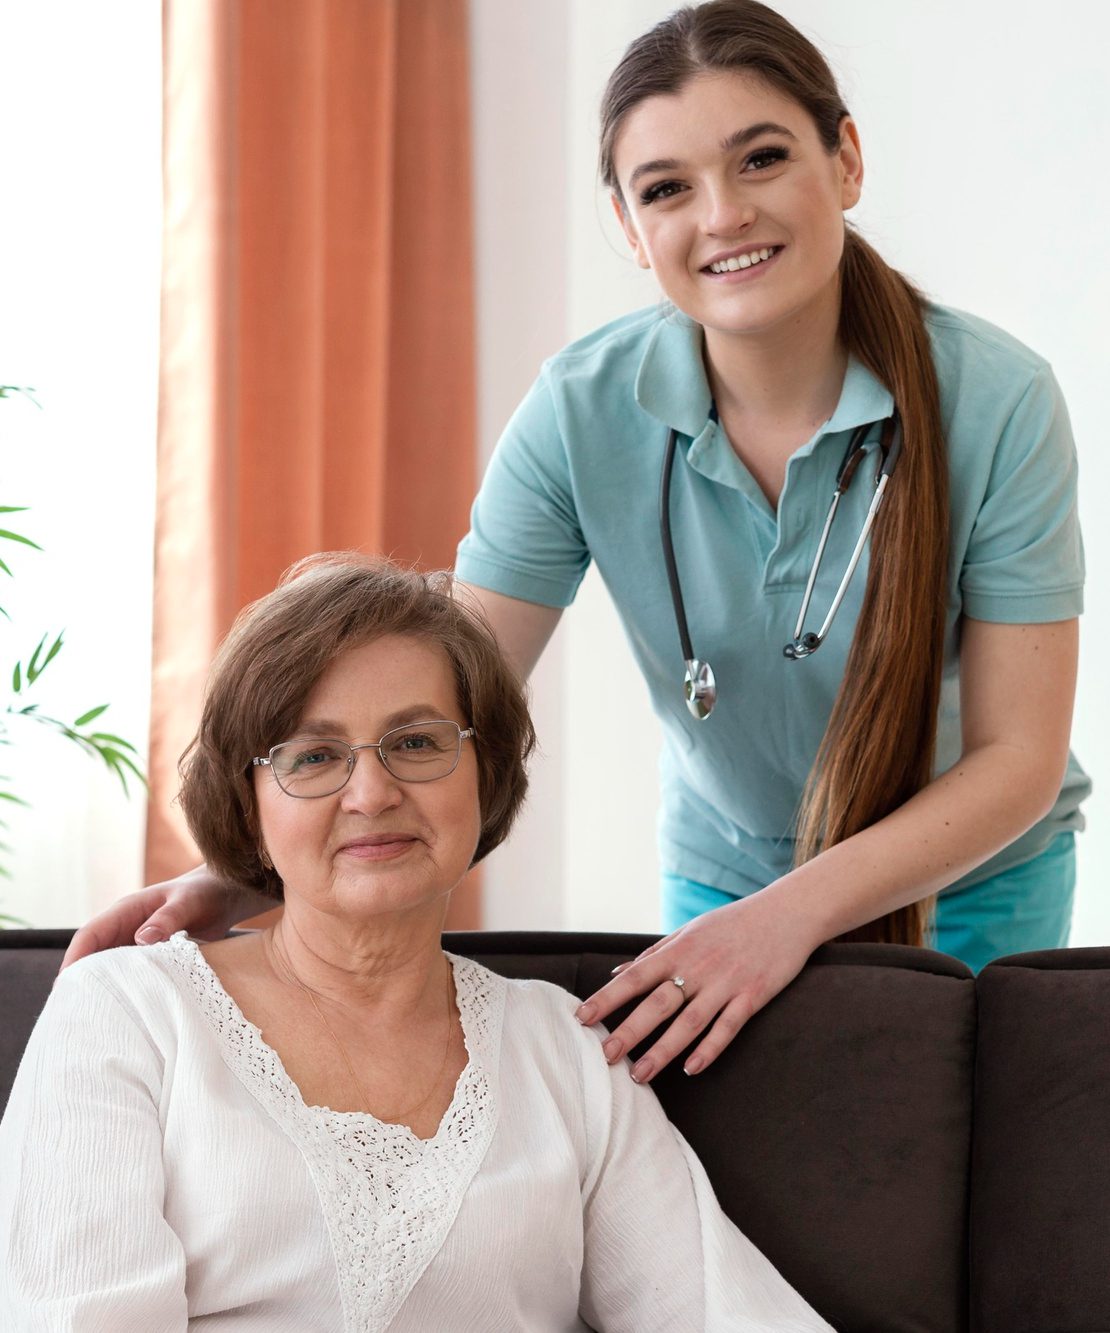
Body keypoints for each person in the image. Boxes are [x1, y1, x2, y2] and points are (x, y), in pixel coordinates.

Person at [64, 1, 1086, 1086]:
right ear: (629, 225)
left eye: (763, 159)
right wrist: (266, 869)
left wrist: (787, 920)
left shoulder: (997, 399)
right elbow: (449, 685)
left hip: (976, 877)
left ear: (845, 161)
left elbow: (1016, 763)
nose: (723, 215)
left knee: (973, 1210)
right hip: (726, 872)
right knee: (760, 1204)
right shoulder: (581, 409)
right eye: (667, 189)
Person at [0, 554, 833, 1331]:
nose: (371, 791)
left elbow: (724, 1312)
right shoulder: (125, 1012)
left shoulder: (566, 1049)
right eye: (315, 754)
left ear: (487, 772)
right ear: (247, 798)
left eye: (417, 742)